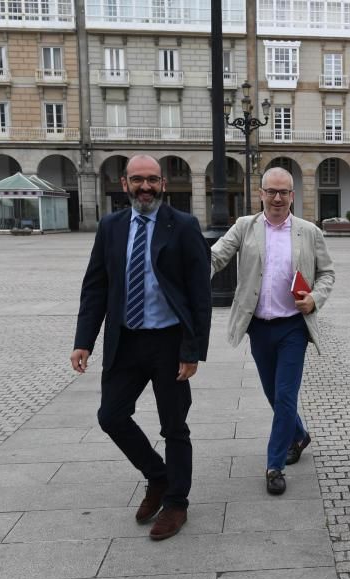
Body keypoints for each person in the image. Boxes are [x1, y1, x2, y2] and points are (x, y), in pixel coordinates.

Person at [71, 155, 211, 541]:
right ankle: (158, 475)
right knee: (111, 416)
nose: (145, 187)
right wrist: (84, 340)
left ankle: (177, 503)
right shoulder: (111, 227)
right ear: (124, 182)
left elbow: (200, 293)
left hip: (169, 343)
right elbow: (96, 285)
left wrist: (192, 349)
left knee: (174, 427)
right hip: (126, 340)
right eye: (137, 180)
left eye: (152, 180)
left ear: (163, 184)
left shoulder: (183, 226)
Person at [211, 167, 335, 495]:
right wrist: (186, 265)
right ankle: (299, 434)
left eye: (284, 192)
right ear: (261, 194)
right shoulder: (245, 227)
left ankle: (274, 465)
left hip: (293, 327)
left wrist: (315, 298)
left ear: (293, 196)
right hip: (259, 327)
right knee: (272, 393)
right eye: (272, 191)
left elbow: (328, 274)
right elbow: (216, 257)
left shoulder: (309, 231)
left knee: (284, 395)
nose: (278, 197)